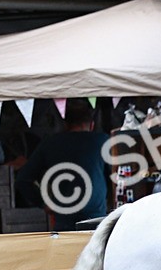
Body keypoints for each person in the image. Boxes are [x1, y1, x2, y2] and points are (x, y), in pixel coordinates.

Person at [16, 99, 108, 231]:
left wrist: (43, 203)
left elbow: (23, 179)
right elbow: (116, 176)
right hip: (96, 219)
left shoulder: (50, 144)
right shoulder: (102, 141)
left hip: (64, 220)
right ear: (91, 125)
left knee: (64, 251)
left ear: (65, 124)